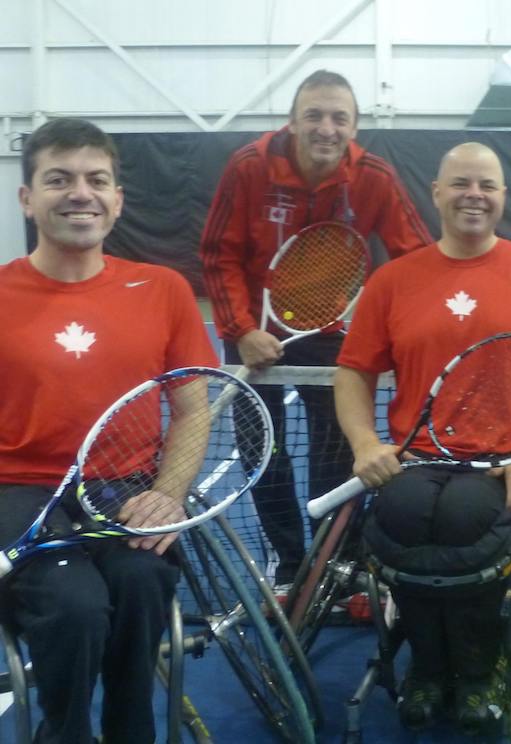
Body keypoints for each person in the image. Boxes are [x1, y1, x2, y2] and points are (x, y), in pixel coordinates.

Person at [334, 142, 511, 734]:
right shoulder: (394, 280)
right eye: (460, 183)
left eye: (486, 184)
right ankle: (430, 669)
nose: (473, 195)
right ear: (435, 193)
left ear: (504, 196)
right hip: (418, 461)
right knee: (403, 514)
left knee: (462, 521)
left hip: (503, 465)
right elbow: (354, 373)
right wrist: (364, 445)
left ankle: (480, 670)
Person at [0, 118, 218, 744]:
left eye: (97, 180)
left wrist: (169, 494)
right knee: (77, 607)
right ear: (27, 198)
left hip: (125, 487)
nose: (80, 194)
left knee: (143, 581)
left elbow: (193, 409)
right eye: (58, 179)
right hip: (19, 494)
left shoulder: (164, 290)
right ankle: (63, 734)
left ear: (118, 199)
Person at [200, 70, 432, 594]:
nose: (326, 128)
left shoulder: (374, 178)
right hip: (252, 331)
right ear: (293, 121)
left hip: (330, 331)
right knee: (267, 454)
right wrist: (239, 330)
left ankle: (338, 558)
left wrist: (399, 330)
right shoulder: (248, 168)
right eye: (314, 116)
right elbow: (219, 255)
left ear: (354, 126)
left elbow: (415, 260)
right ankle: (287, 560)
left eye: (339, 118)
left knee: (337, 451)